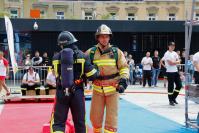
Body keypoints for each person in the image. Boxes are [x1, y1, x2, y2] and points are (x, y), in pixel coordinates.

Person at [51, 31, 98, 133]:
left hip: (61, 91)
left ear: (61, 44)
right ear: (73, 41)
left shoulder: (55, 58)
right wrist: (96, 68)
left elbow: (55, 74)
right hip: (77, 91)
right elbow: (92, 75)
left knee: (58, 123)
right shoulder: (83, 56)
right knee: (79, 122)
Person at [86, 24, 129, 133]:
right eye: (102, 36)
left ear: (110, 37)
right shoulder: (91, 52)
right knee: (95, 118)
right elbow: (82, 67)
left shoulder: (116, 52)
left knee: (111, 119)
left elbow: (124, 67)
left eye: (106, 36)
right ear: (98, 37)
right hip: (97, 90)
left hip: (113, 91)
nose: (104, 39)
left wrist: (123, 81)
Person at [161, 42, 182, 106]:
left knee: (179, 85)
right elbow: (170, 63)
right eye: (171, 46)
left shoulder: (175, 53)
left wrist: (174, 62)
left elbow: (179, 61)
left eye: (173, 46)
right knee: (171, 86)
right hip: (170, 72)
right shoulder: (166, 54)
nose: (172, 47)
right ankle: (170, 100)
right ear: (168, 46)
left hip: (175, 71)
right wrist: (176, 62)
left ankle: (173, 98)